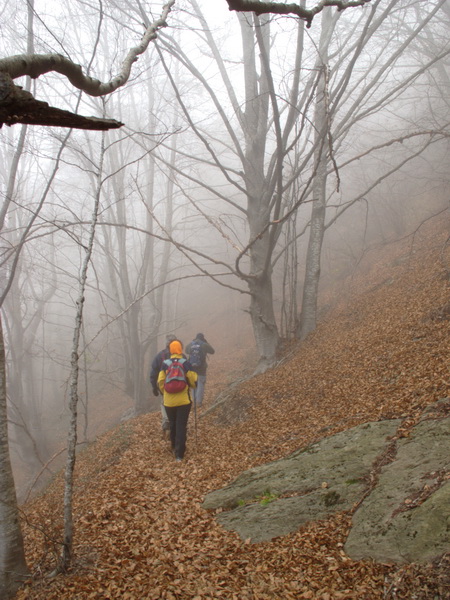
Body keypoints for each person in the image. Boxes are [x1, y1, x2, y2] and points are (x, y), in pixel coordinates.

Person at [158, 340, 197, 462]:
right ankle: (180, 455)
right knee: (181, 425)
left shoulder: (165, 364)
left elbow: (160, 381)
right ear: (180, 349)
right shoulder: (186, 363)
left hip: (169, 402)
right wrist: (190, 386)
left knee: (173, 423)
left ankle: (174, 446)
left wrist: (166, 393)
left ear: (170, 350)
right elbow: (193, 380)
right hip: (184, 401)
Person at [149, 334, 178, 437]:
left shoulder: (160, 356)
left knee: (164, 403)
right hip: (180, 387)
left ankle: (167, 423)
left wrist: (154, 387)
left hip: (164, 386)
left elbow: (153, 373)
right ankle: (177, 425)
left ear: (166, 343)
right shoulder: (181, 356)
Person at [185, 333, 215, 407]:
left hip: (192, 368)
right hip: (201, 368)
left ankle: (194, 402)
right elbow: (212, 351)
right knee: (200, 383)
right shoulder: (204, 344)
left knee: (193, 385)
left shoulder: (191, 344)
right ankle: (199, 402)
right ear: (202, 338)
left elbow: (186, 351)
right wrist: (206, 342)